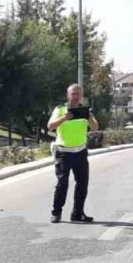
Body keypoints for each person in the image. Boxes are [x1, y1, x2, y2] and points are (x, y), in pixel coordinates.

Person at [46, 84, 100, 224]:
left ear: (81, 96)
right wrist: (64, 118)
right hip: (63, 152)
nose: (75, 96)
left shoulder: (85, 111)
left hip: (80, 152)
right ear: (68, 95)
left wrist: (90, 117)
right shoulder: (60, 109)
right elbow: (50, 126)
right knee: (62, 183)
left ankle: (77, 213)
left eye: (78, 94)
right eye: (72, 94)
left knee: (82, 184)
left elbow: (94, 128)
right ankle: (56, 213)